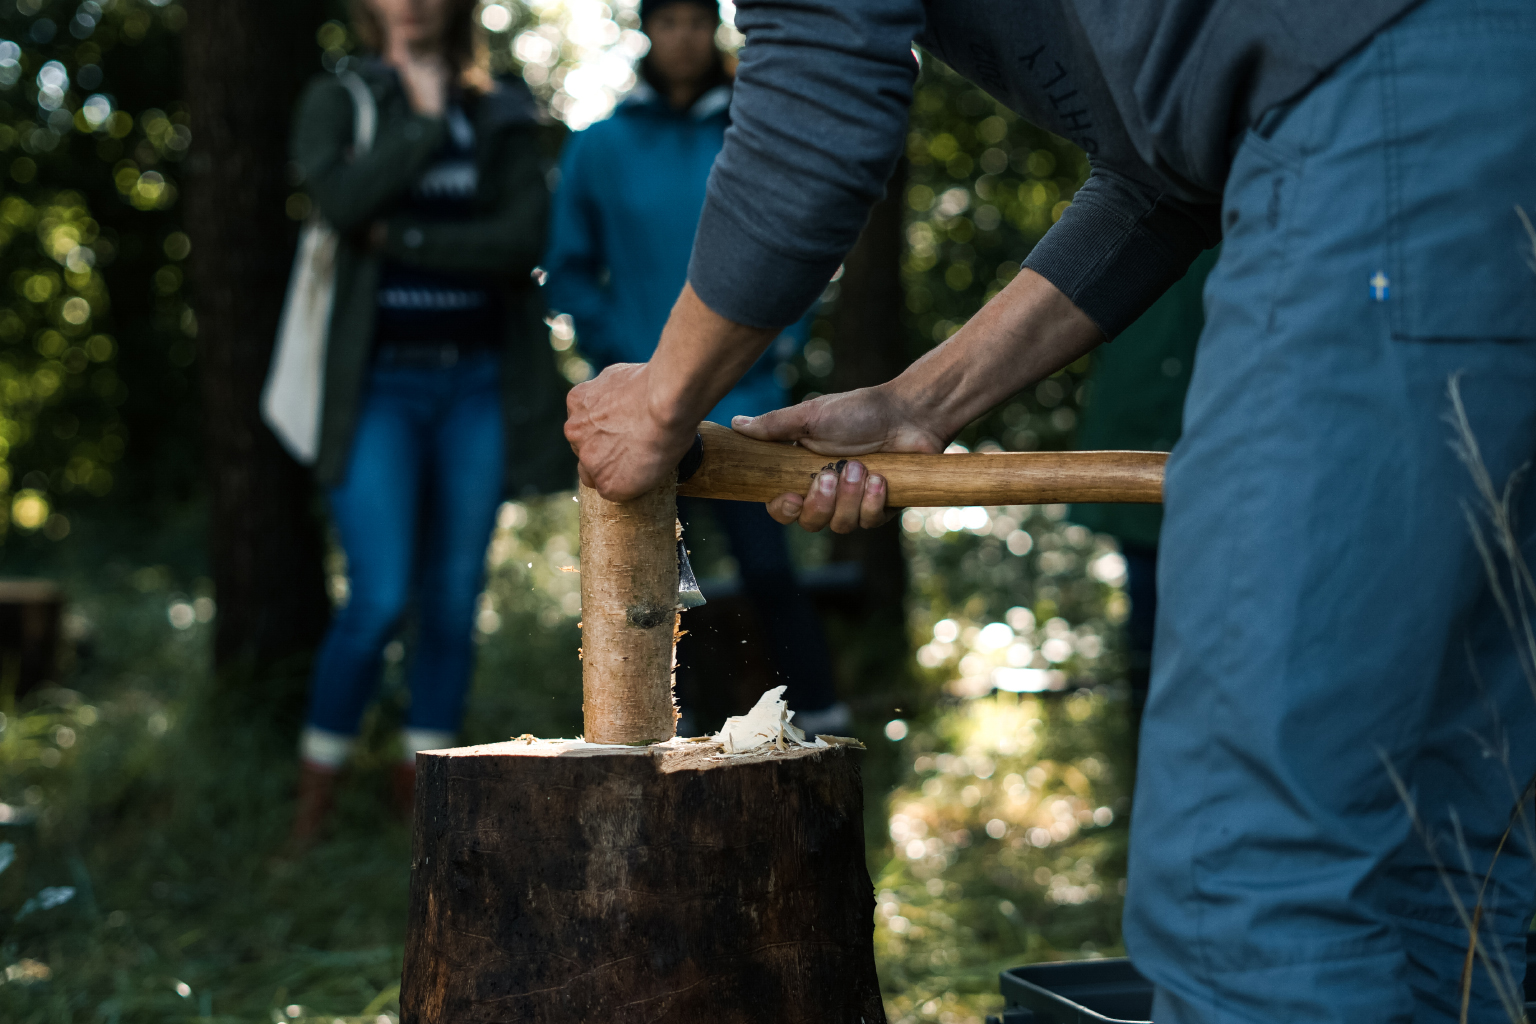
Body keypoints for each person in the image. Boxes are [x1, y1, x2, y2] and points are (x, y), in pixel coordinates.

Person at [563, 1, 1536, 1021]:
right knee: (1447, 831)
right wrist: (918, 402)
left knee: (1254, 870)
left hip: (1383, 127)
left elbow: (819, 92)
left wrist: (664, 400)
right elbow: (1168, 174)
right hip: (1462, 96)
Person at [284, 0, 570, 845]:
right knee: (376, 599)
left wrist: (397, 234)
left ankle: (427, 803)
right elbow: (338, 204)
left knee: (451, 599)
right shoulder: (342, 101)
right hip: (375, 390)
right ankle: (314, 804)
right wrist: (417, 116)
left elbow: (522, 238)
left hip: (478, 386)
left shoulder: (504, 107)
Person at [541, 0, 847, 734]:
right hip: (641, 406)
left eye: (694, 20)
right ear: (647, 30)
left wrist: (776, 338)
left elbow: (803, 246)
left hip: (747, 394)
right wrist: (622, 362)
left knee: (769, 568)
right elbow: (570, 272)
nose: (682, 36)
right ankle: (682, 732)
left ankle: (829, 724)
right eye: (667, 20)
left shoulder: (754, 135)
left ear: (714, 27)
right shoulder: (599, 147)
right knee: (663, 582)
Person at [1071, 247, 1217, 758]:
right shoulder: (1130, 212)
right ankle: (1152, 758)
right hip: (1136, 446)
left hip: (1235, 452)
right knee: (1149, 632)